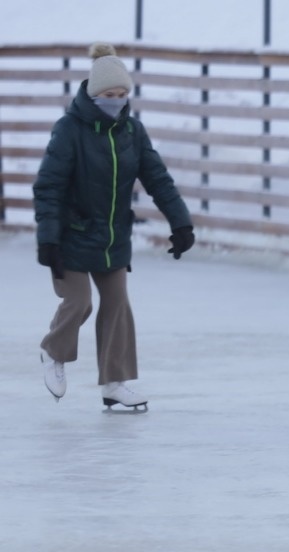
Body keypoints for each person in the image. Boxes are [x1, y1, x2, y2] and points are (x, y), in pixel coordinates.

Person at [34, 43, 195, 411]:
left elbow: (159, 180)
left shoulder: (132, 132)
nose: (117, 101)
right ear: (94, 94)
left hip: (112, 238)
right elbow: (48, 187)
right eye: (110, 95)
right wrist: (48, 240)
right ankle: (52, 351)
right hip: (70, 236)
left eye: (123, 95)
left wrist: (180, 223)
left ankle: (115, 383)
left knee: (117, 305)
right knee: (79, 302)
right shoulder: (69, 130)